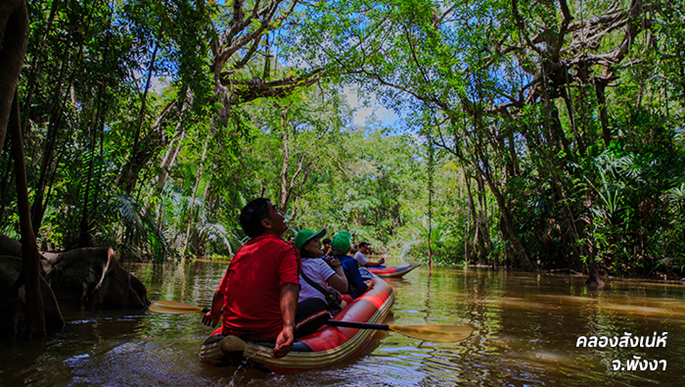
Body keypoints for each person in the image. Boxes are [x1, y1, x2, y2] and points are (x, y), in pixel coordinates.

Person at [202, 198, 300, 358]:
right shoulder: (287, 251)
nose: (282, 214)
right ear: (267, 223)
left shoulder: (241, 252)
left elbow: (220, 293)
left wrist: (213, 313)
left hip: (231, 330)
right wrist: (288, 327)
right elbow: (288, 287)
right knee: (318, 306)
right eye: (275, 210)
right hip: (266, 334)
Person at [293, 228, 348, 336]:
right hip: (315, 311)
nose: (320, 243)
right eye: (315, 241)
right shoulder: (319, 263)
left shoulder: (293, 265)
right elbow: (344, 286)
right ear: (306, 247)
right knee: (344, 303)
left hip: (298, 312)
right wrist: (338, 267)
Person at [330, 232, 374, 301]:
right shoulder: (351, 262)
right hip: (347, 296)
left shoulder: (327, 260)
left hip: (332, 295)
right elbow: (360, 287)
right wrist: (368, 285)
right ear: (349, 248)